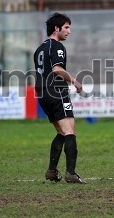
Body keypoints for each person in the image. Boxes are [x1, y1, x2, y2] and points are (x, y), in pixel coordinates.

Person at [33, 12, 86, 184]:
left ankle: (52, 171)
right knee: (70, 131)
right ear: (56, 29)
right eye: (66, 27)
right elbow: (56, 69)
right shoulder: (57, 47)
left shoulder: (39, 49)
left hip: (42, 93)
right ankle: (71, 173)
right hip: (56, 91)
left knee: (61, 132)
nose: (69, 31)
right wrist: (75, 81)